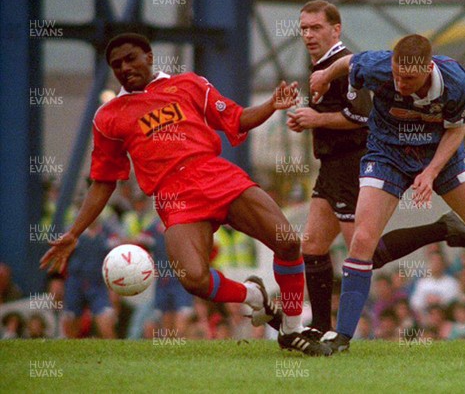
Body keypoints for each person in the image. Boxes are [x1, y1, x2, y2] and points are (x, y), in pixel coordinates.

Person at [40, 33, 331, 356]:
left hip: (214, 174)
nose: (124, 67)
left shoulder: (188, 84)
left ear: (149, 57)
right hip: (174, 196)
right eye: (116, 64)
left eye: (131, 58)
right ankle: (253, 296)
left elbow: (234, 119)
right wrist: (75, 232)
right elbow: (103, 181)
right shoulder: (109, 116)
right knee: (194, 279)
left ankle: (292, 329)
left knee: (289, 242)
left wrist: (271, 105)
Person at [310, 34, 465, 354]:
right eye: (397, 75)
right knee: (362, 241)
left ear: (428, 68)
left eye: (410, 78)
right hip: (387, 155)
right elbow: (349, 61)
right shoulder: (379, 67)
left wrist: (430, 172)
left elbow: (457, 129)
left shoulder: (455, 82)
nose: (401, 83)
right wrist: (322, 76)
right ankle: (342, 337)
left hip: (440, 156)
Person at [286, 0, 465, 334]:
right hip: (330, 165)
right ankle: (319, 328)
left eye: (316, 27)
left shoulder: (343, 65)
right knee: (313, 246)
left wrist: (315, 118)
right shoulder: (322, 65)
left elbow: (361, 116)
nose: (308, 34)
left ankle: (442, 229)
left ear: (336, 29)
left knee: (368, 253)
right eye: (304, 28)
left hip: (350, 163)